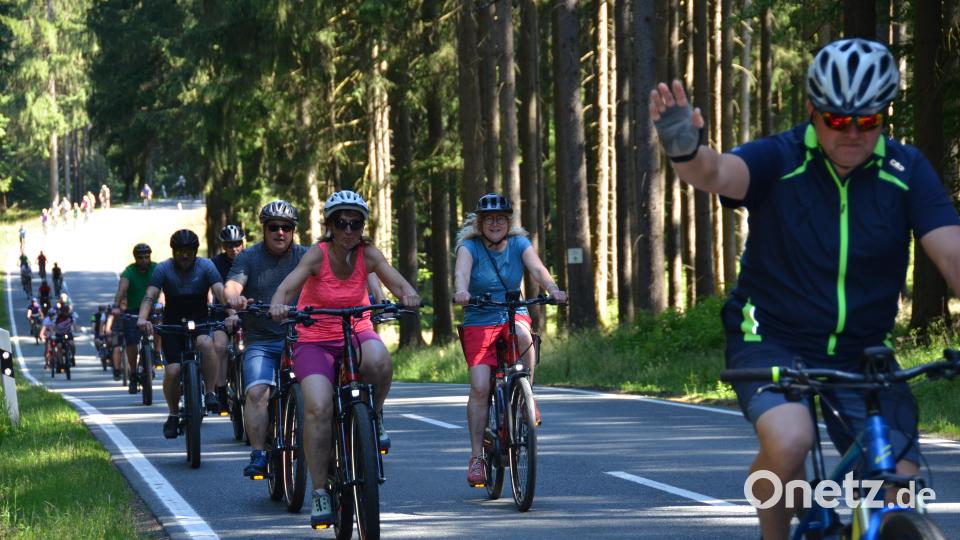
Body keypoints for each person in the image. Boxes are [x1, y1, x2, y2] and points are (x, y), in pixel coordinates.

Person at [649, 38, 960, 539]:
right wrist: (684, 147)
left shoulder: (906, 170)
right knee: (790, 441)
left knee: (900, 483)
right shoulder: (781, 157)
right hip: (772, 337)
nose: (853, 133)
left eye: (868, 120)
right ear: (813, 111)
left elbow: (951, 252)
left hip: (863, 351)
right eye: (839, 120)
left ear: (884, 115)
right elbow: (717, 172)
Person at [268, 190, 419, 528]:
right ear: (330, 225)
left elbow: (400, 285)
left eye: (355, 223)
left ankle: (374, 416)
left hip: (356, 331)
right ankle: (320, 491)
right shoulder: (317, 255)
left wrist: (408, 295)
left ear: (363, 226)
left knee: (380, 361)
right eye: (341, 222)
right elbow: (286, 289)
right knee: (318, 408)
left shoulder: (369, 254)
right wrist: (279, 305)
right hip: (315, 339)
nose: (349, 229)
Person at [452, 193, 568, 488]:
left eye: (501, 219)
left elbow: (538, 269)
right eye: (489, 219)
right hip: (480, 318)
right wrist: (462, 291)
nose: (495, 224)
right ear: (480, 223)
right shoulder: (469, 247)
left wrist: (553, 289)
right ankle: (476, 457)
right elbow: (461, 273)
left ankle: (527, 393)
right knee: (480, 387)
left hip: (512, 312)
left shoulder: (519, 243)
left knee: (524, 335)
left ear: (509, 222)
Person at [224, 201, 308, 479]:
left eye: (286, 227)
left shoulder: (306, 256)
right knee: (257, 391)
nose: (280, 232)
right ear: (264, 229)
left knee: (325, 392)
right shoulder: (248, 257)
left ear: (293, 230)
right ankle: (259, 453)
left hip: (303, 339)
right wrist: (234, 298)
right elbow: (232, 285)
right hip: (261, 339)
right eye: (274, 227)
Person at [137, 229, 228, 439]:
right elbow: (150, 296)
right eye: (180, 251)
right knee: (173, 371)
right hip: (172, 324)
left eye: (189, 251)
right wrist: (142, 318)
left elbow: (219, 291)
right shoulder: (163, 268)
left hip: (200, 320)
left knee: (206, 344)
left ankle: (210, 392)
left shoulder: (206, 266)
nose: (184, 255)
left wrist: (232, 314)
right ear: (173, 252)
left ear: (195, 251)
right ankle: (173, 414)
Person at [112, 243, 158, 393]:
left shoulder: (156, 268)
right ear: (135, 258)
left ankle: (157, 354)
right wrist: (116, 306)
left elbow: (166, 285)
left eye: (147, 257)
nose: (144, 260)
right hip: (133, 311)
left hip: (153, 308)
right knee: (131, 341)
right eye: (140, 257)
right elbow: (122, 290)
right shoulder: (129, 271)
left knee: (160, 323)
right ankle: (133, 373)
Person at [210, 224, 245, 408]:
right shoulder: (215, 263)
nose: (234, 248)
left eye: (237, 244)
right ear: (223, 246)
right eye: (230, 245)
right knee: (220, 346)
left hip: (248, 312)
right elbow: (212, 289)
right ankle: (221, 391)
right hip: (221, 313)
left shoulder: (251, 259)